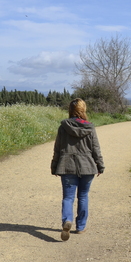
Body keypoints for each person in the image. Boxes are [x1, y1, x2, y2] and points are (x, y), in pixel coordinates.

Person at [50, 98, 105, 241]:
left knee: (68, 197)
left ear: (70, 110)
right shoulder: (90, 127)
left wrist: (54, 165)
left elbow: (58, 148)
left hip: (66, 165)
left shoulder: (63, 127)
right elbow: (95, 149)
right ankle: (80, 227)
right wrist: (100, 165)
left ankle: (67, 221)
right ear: (83, 110)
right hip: (87, 166)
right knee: (83, 196)